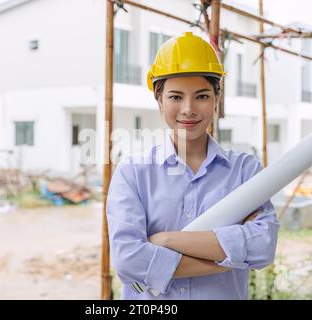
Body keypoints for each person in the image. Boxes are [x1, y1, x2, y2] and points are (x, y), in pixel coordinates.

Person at [106, 32, 279, 300]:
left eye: (201, 96)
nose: (189, 109)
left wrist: (165, 241)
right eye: (175, 97)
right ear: (158, 98)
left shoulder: (245, 172)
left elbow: (262, 247)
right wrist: (230, 257)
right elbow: (128, 260)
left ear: (216, 97)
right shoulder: (133, 173)